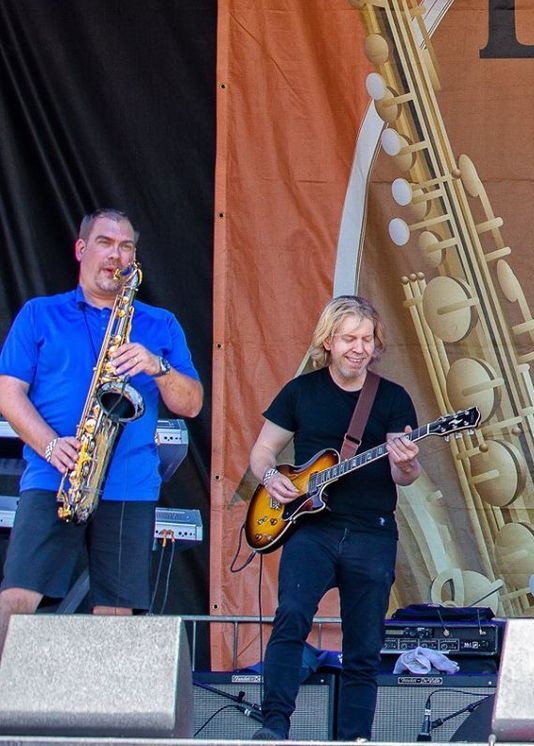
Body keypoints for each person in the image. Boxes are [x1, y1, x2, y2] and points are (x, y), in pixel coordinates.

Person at [0, 209, 203, 652]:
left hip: (129, 484)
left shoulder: (159, 323)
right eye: (106, 243)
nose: (117, 255)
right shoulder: (39, 314)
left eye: (126, 246)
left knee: (115, 618)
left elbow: (191, 403)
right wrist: (50, 444)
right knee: (16, 600)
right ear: (81, 249)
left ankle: (104, 721)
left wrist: (157, 365)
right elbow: (8, 394)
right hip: (56, 477)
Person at [248, 296, 420, 741]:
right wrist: (270, 478)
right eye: (348, 339)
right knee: (291, 619)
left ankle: (354, 739)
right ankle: (274, 727)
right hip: (311, 528)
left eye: (366, 339)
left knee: (364, 647)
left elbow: (407, 476)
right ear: (328, 341)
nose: (358, 348)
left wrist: (404, 461)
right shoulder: (301, 392)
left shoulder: (392, 399)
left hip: (372, 532)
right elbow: (262, 451)